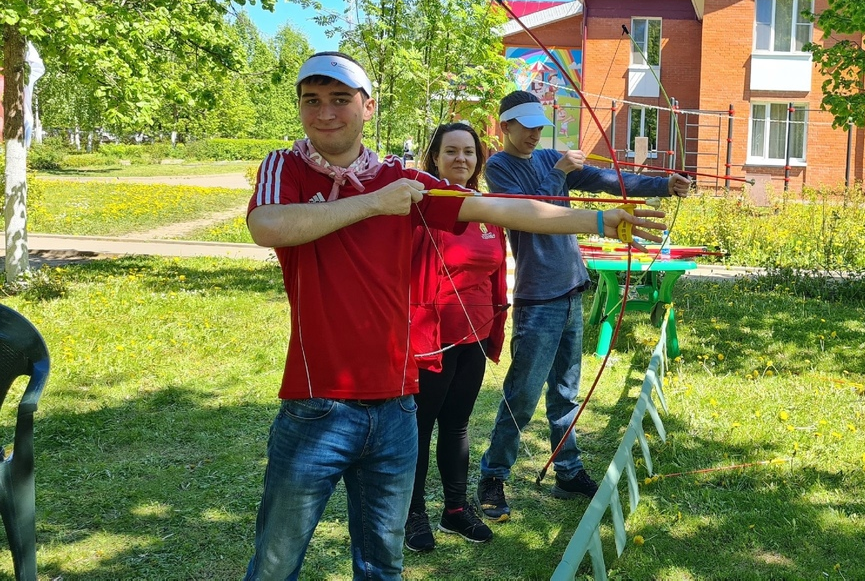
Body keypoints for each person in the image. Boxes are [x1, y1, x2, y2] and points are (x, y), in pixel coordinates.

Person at [242, 53, 665, 580]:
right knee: (276, 562)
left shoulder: (401, 178)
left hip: (397, 403)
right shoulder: (287, 166)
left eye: (340, 99)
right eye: (312, 100)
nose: (325, 112)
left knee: (383, 564)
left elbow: (499, 208)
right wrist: (374, 203)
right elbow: (267, 225)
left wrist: (597, 219)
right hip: (316, 405)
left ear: (368, 107)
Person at [475, 90, 692, 522]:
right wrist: (559, 171)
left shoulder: (547, 157)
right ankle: (493, 476)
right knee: (523, 395)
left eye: (539, 126)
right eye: (526, 126)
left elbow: (607, 180)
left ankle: (568, 471)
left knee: (566, 393)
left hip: (570, 287)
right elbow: (532, 211)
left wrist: (663, 185)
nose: (535, 134)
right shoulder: (499, 168)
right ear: (505, 126)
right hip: (538, 298)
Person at [403, 122, 505, 552]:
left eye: (469, 151)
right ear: (435, 157)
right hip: (432, 337)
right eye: (451, 151)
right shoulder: (423, 204)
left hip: (474, 333)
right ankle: (411, 515)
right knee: (420, 426)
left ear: (478, 159)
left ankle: (456, 510)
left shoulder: (487, 209)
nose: (461, 158)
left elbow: (496, 271)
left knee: (458, 423)